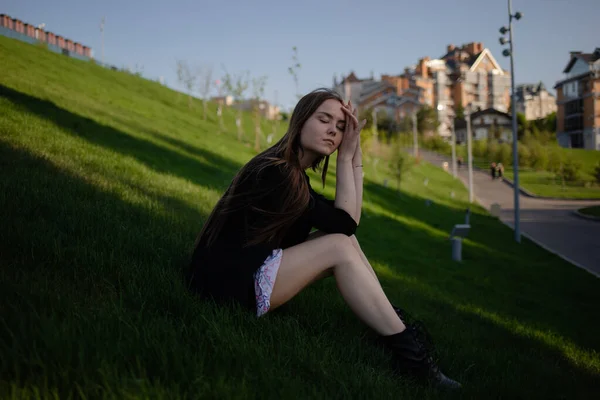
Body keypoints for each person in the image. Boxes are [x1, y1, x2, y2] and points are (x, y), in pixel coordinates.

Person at [186, 88, 461, 389]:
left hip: (232, 277)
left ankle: (392, 325)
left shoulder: (290, 172)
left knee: (344, 242)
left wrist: (354, 155)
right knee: (339, 246)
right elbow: (345, 224)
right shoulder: (279, 174)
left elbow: (348, 223)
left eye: (341, 127)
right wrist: (346, 157)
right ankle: (414, 359)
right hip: (228, 290)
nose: (333, 129)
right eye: (324, 119)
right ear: (301, 121)